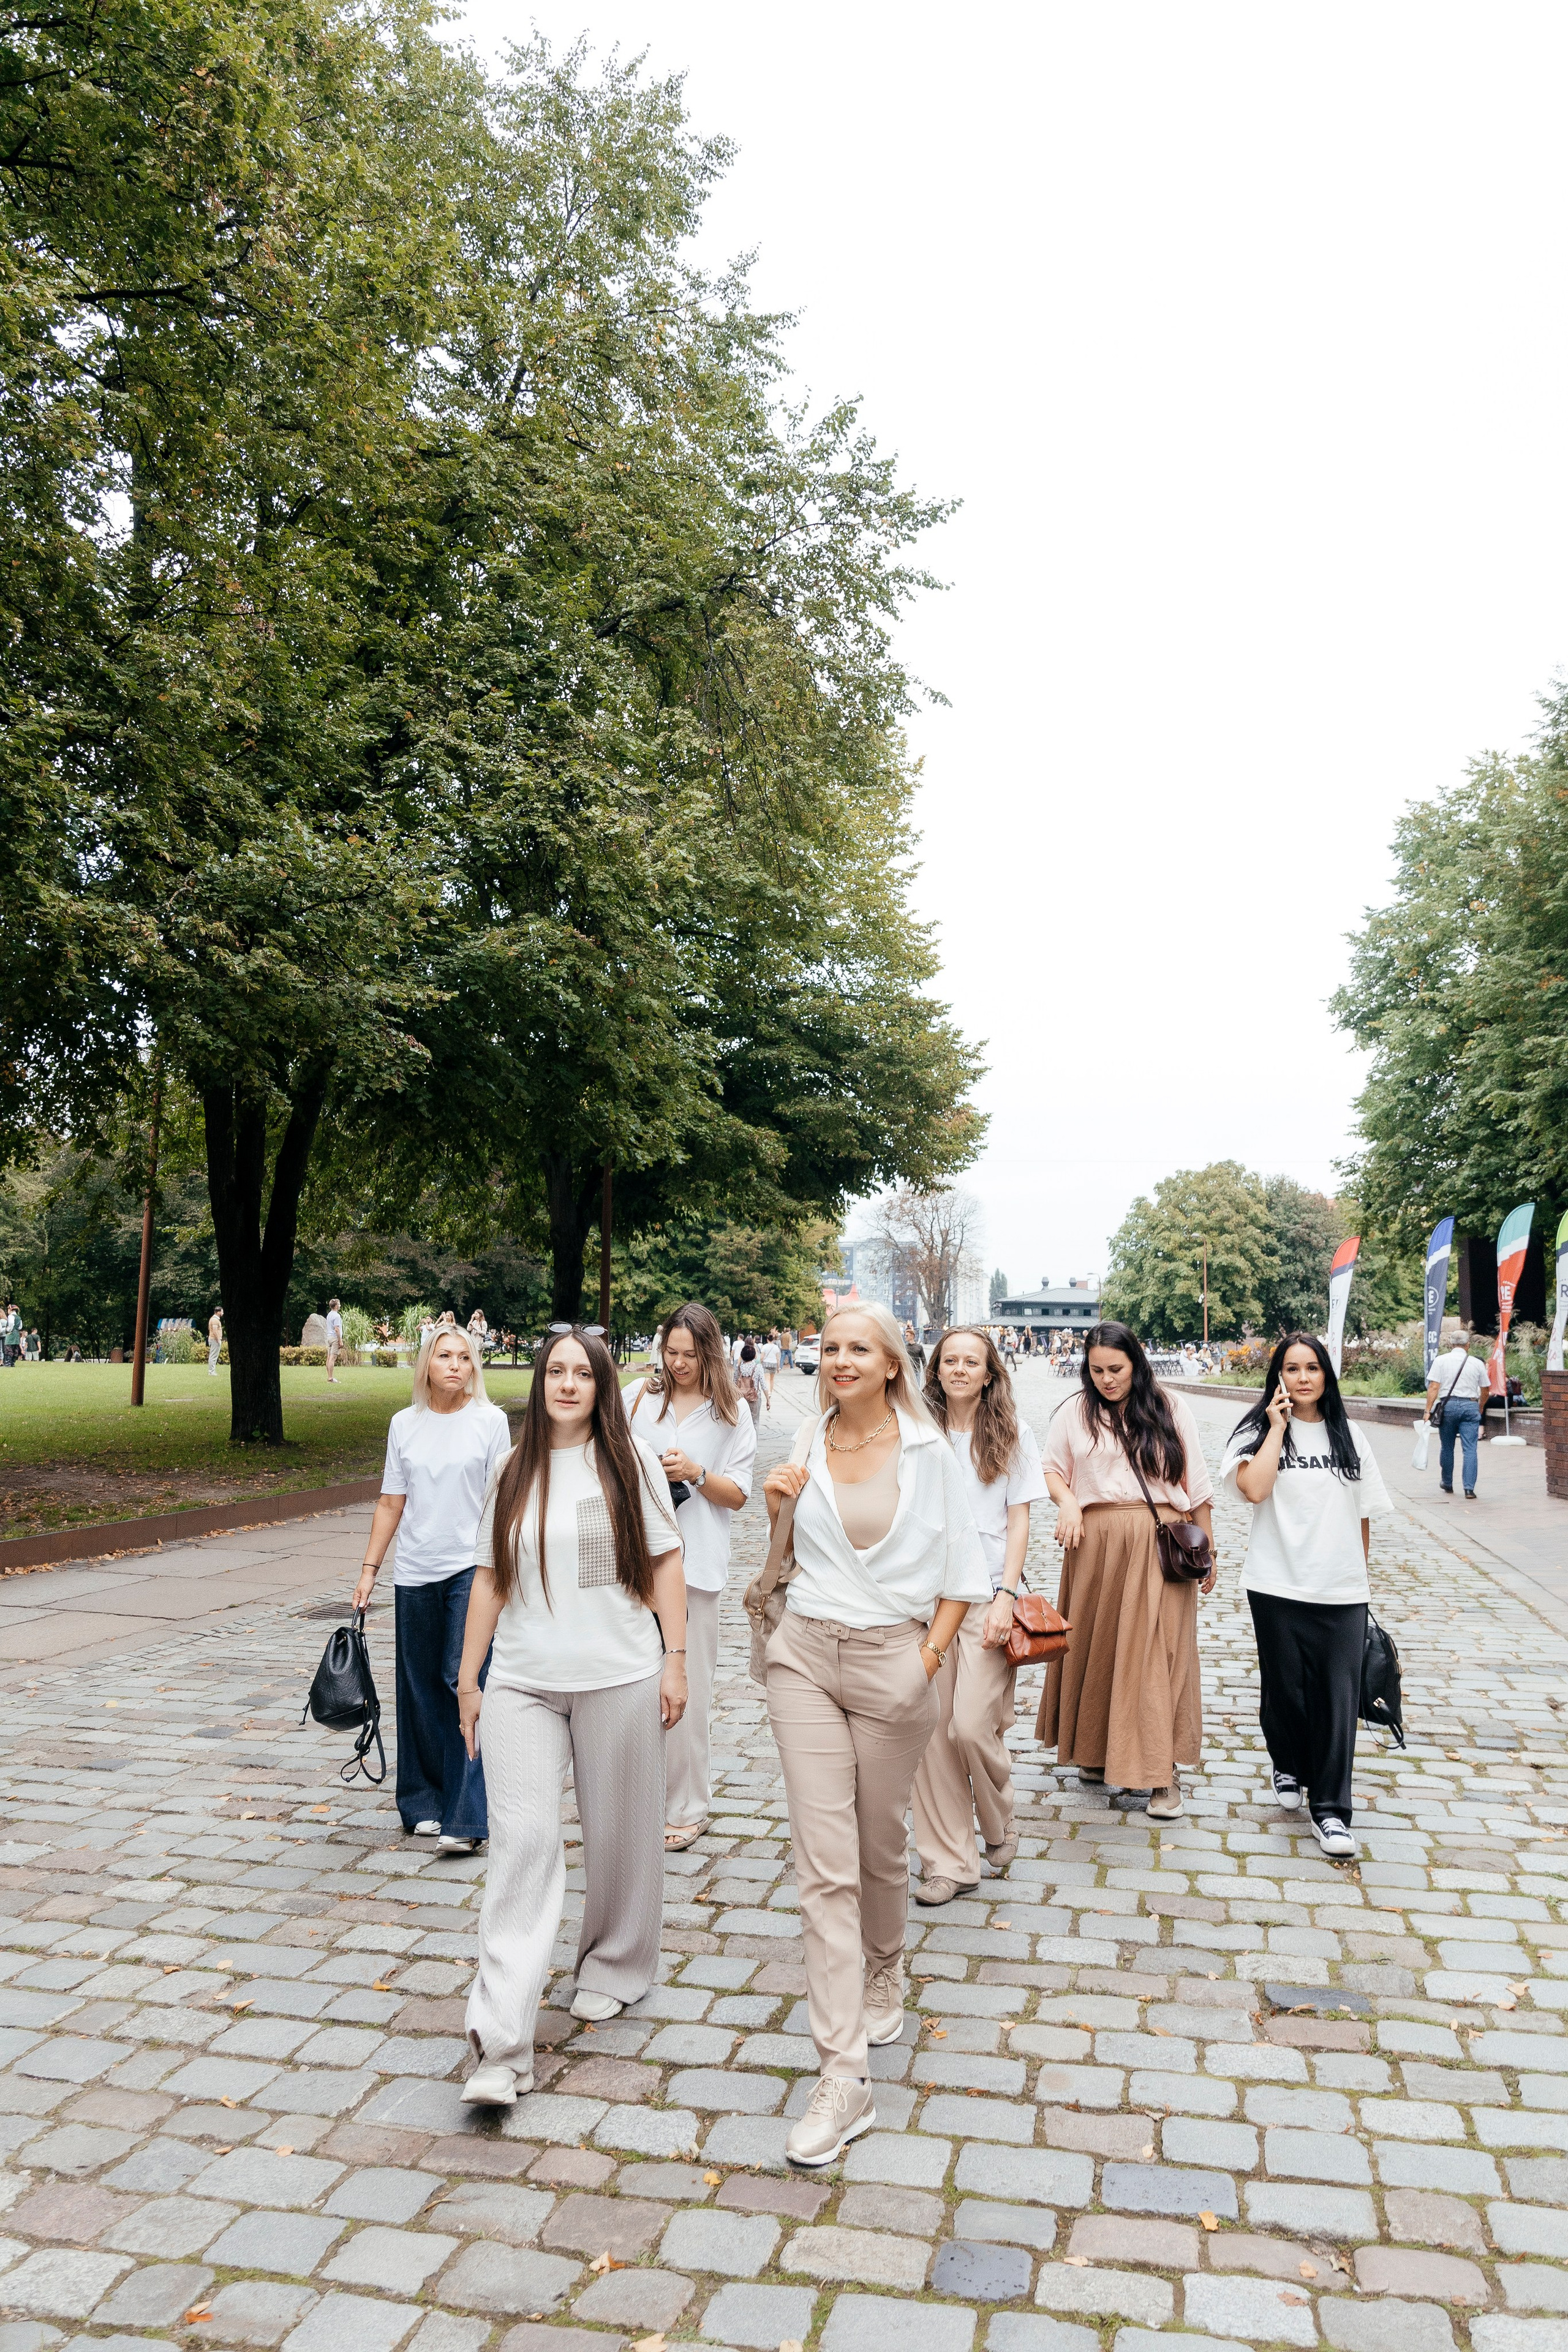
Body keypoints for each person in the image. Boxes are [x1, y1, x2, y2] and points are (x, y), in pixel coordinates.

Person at [761, 1302, 989, 2165]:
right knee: (823, 1865)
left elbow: (964, 1574)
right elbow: (788, 1560)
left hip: (897, 1660)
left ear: (893, 1365)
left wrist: (924, 1663)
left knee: (878, 1843)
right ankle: (843, 2075)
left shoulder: (930, 1455)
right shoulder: (807, 1441)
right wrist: (781, 1505)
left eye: (859, 1349)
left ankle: (887, 1960)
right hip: (807, 1658)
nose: (840, 1360)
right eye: (830, 1348)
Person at [455, 1327, 687, 2103]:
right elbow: (489, 1575)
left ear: (601, 1385)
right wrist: (469, 1681)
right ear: (537, 1382)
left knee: (621, 1832)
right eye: (553, 1371)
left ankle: (617, 1962)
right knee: (524, 1841)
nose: (565, 1384)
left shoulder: (632, 1463)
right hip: (523, 1682)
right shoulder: (510, 1469)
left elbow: (663, 1561)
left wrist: (675, 1658)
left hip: (619, 1672)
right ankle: (501, 2046)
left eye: (580, 1373)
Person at [1036, 1319, 1215, 1822]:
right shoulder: (1075, 1410)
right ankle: (1095, 1751)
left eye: (1115, 1369)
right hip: (1096, 1545)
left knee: (1155, 1655)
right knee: (1100, 1648)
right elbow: (1051, 1468)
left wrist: (1209, 1549)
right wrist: (1068, 1503)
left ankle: (1162, 1775)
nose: (1106, 1379)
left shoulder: (1170, 1406)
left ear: (1136, 1362)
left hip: (1161, 1543)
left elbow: (1196, 1483)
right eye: (1096, 1370)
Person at [1224, 1334, 1389, 1859]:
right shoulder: (1254, 1430)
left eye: (1312, 1368)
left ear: (1326, 1376)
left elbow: (1362, 1514)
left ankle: (1332, 1812)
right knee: (1288, 1691)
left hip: (1340, 1590)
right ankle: (1288, 1760)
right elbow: (1254, 1489)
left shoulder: (1351, 1435)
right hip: (1276, 1584)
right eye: (1292, 1369)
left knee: (1337, 1701)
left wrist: (1358, 1580)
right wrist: (1276, 1428)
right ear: (1278, 1376)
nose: (1303, 1378)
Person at [353, 1327, 509, 1853]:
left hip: (471, 1568)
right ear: (426, 1363)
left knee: (460, 1678)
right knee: (418, 1687)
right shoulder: (405, 1425)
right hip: (415, 1569)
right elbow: (390, 1502)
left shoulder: (491, 1422)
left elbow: (503, 1500)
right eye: (444, 1356)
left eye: (465, 1357)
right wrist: (370, 1569)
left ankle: (466, 1817)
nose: (455, 1365)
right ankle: (422, 1802)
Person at [912, 1327, 1047, 1902]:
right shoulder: (916, 1431)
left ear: (990, 1373)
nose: (961, 1370)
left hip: (987, 1595)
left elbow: (1019, 1521)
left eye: (973, 1362)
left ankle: (998, 1819)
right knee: (933, 1735)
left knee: (970, 1724)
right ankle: (948, 1862)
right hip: (925, 1598)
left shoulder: (1013, 1434)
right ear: (936, 1370)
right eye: (951, 1361)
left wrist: (1006, 1596)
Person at [627, 1303, 756, 1848]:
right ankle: (636, 1801)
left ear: (711, 1352)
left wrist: (697, 1474)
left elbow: (741, 1494)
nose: (679, 1364)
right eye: (671, 1353)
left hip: (696, 1563)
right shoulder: (639, 1398)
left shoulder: (731, 1415)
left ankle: (687, 1805)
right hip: (631, 1562)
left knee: (686, 1688)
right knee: (630, 1688)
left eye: (690, 1354)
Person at [1425, 1328, 1490, 1499]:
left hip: (1448, 1406)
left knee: (1447, 1447)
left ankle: (1447, 1482)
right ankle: (1469, 1489)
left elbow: (1433, 1387)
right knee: (1470, 1449)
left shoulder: (1441, 1360)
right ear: (1468, 1345)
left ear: (1451, 1344)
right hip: (1470, 1406)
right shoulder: (1477, 1363)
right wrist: (1481, 1407)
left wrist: (1427, 1411)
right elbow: (1485, 1390)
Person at [735, 1339, 764, 1426]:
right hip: (754, 1396)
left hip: (741, 1397)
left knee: (742, 1421)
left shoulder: (739, 1368)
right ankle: (754, 1438)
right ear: (754, 1355)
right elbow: (763, 1384)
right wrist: (768, 1399)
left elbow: (734, 1383)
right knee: (755, 1422)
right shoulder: (758, 1367)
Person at [325, 1297, 344, 1384]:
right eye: (339, 1304)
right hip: (335, 1338)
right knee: (333, 1358)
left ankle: (329, 1376)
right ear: (336, 1306)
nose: (340, 1305)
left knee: (329, 1358)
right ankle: (331, 1378)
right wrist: (340, 1340)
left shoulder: (329, 1315)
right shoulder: (337, 1316)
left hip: (329, 1338)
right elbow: (337, 1329)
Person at [761, 1331, 782, 1401]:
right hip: (774, 1364)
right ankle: (771, 1392)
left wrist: (760, 1363)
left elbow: (762, 1357)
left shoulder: (764, 1347)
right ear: (773, 1339)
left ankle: (768, 1392)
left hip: (766, 1363)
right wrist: (779, 1367)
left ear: (767, 1339)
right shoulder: (776, 1347)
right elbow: (778, 1358)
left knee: (767, 1379)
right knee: (772, 1379)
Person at [207, 1306, 224, 1376]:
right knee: (213, 1356)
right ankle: (211, 1372)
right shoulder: (215, 1320)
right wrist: (218, 1340)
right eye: (222, 1312)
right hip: (215, 1340)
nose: (223, 1313)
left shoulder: (214, 1319)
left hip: (214, 1339)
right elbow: (215, 1331)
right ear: (218, 1312)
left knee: (213, 1356)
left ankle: (212, 1371)